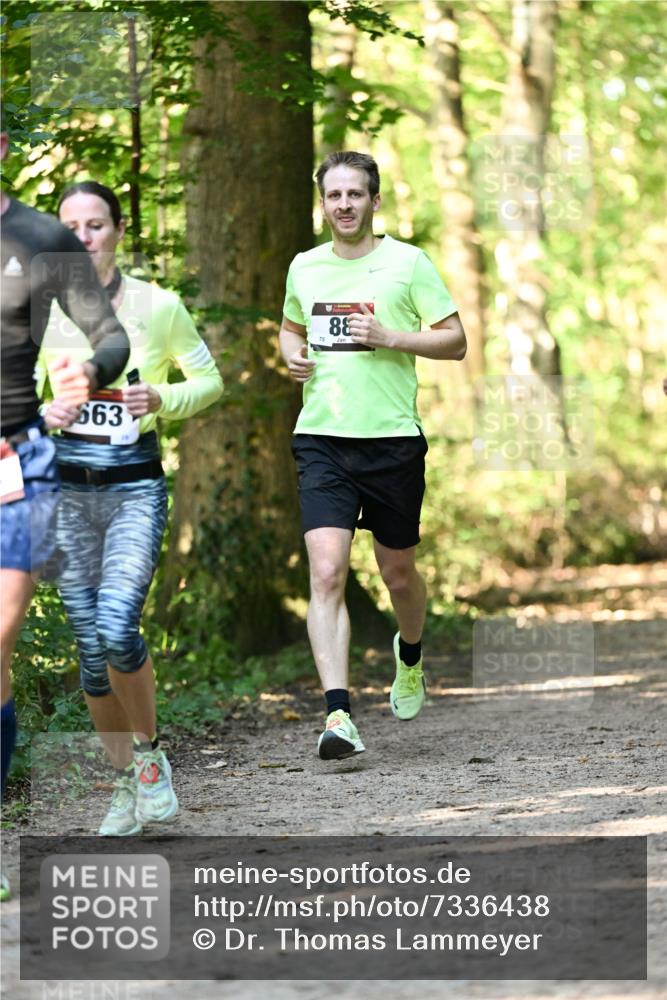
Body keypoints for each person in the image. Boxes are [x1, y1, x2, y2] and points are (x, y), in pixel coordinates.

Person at [37, 180, 223, 836]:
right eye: (71, 228)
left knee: (117, 625)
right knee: (91, 649)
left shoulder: (158, 306)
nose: (84, 238)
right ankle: (122, 783)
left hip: (134, 489)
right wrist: (44, 412)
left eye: (96, 225)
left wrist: (163, 400)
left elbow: (210, 381)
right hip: (66, 492)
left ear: (118, 231)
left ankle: (149, 757)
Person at [279, 150, 466, 760]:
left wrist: (391, 337)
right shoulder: (305, 266)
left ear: (374, 200)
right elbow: (290, 327)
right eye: (334, 195)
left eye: (355, 194)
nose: (344, 205)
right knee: (326, 571)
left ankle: (409, 655)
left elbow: (456, 340)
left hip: (392, 441)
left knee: (398, 574)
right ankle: (338, 715)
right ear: (323, 204)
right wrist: (290, 354)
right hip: (322, 438)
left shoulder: (408, 263)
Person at [1, 134, 131, 899]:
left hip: (16, 460)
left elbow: (110, 336)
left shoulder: (41, 237)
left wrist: (89, 368)